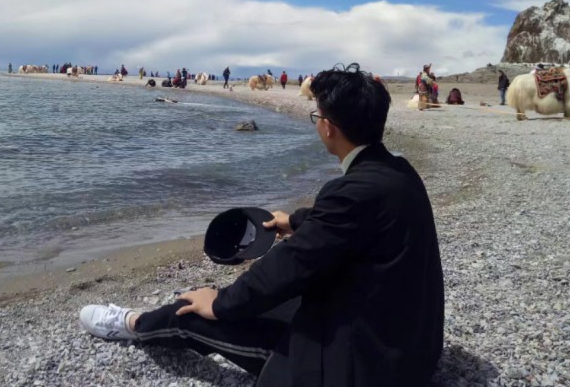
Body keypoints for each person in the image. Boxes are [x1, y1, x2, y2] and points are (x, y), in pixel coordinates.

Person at [79, 63, 444, 387]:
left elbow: (287, 266)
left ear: (329, 127)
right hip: (409, 349)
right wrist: (296, 221)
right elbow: (351, 226)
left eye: (317, 116)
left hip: (363, 369)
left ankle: (132, 324)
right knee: (271, 294)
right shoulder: (398, 173)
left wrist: (219, 303)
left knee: (195, 310)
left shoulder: (350, 194)